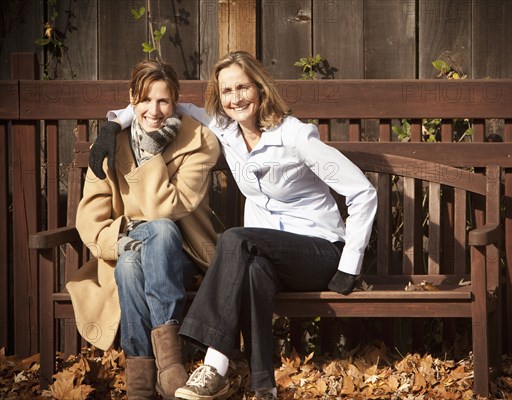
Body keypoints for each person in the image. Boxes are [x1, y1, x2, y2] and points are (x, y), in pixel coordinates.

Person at [91, 51, 377, 400]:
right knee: (253, 271)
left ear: (260, 88)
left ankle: (213, 365)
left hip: (317, 252)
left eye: (243, 87)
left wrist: (350, 265)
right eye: (227, 91)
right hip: (267, 254)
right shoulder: (226, 130)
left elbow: (362, 191)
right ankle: (263, 387)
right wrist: (111, 125)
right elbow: (161, 106)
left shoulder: (295, 136)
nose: (235, 97)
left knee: (235, 240)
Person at [68, 59, 220, 400]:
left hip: (181, 255)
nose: (154, 110)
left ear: (175, 102)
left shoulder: (200, 142)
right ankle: (167, 370)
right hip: (125, 245)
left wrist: (150, 154)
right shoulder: (110, 144)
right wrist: (120, 243)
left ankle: (143, 382)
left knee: (161, 232)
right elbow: (89, 221)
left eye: (163, 101)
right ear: (132, 101)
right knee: (131, 261)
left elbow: (164, 208)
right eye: (146, 100)